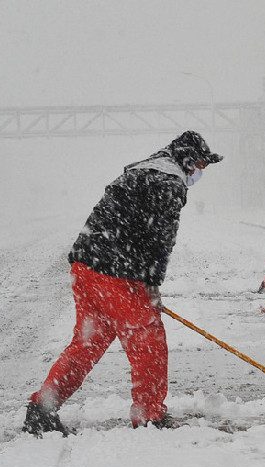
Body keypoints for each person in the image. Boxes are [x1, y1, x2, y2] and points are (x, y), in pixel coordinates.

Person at [23, 130, 223, 436]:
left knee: (87, 343)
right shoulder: (168, 183)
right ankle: (149, 416)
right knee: (148, 342)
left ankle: (43, 409)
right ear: (187, 160)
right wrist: (152, 287)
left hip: (86, 267)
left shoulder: (141, 171)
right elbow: (161, 241)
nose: (199, 173)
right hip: (116, 273)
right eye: (199, 166)